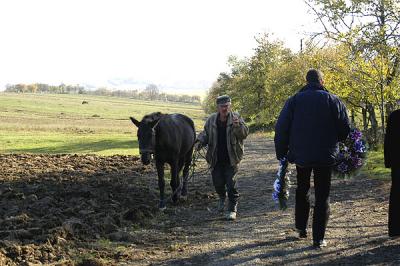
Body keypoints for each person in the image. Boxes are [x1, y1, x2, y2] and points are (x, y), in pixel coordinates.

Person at [274, 69, 350, 248]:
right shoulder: (334, 100)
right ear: (322, 81)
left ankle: (301, 227)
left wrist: (282, 152)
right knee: (323, 195)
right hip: (326, 155)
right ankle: (319, 238)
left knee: (302, 189)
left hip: (301, 155)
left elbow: (282, 128)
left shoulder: (294, 101)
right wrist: (335, 141)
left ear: (306, 81)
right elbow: (345, 128)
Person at [196, 95, 249, 220]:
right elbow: (205, 134)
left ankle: (232, 209)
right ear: (218, 107)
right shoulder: (211, 120)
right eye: (222, 106)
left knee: (231, 184)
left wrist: (237, 126)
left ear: (230, 105)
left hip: (232, 158)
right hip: (215, 158)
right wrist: (199, 142)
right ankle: (221, 197)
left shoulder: (236, 118)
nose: (225, 108)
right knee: (218, 183)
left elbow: (244, 134)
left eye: (227, 106)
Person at [384, 106, 400, 238]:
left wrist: (388, 161)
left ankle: (395, 228)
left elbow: (388, 140)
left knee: (396, 193)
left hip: (397, 161)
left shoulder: (394, 116)